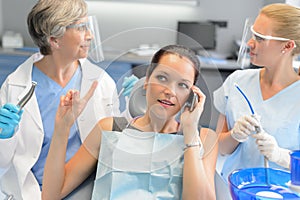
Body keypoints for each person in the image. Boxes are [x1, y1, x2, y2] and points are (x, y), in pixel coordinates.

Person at [42, 45, 218, 200]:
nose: (169, 91)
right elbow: (52, 195)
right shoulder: (109, 129)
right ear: (147, 80)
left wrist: (190, 133)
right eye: (162, 78)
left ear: (192, 95)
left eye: (183, 85)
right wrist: (62, 129)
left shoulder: (204, 139)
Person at [0, 0, 135, 199]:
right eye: (81, 28)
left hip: (83, 187)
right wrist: (5, 136)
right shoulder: (15, 86)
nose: (89, 35)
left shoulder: (100, 81)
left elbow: (112, 144)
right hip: (30, 190)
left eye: (88, 26)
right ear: (54, 40)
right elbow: (3, 163)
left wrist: (132, 109)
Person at [214, 3, 300, 182]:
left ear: (288, 46)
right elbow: (220, 148)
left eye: (260, 38)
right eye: (253, 34)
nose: (250, 43)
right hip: (235, 189)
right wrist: (234, 135)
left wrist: (281, 156)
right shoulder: (237, 82)